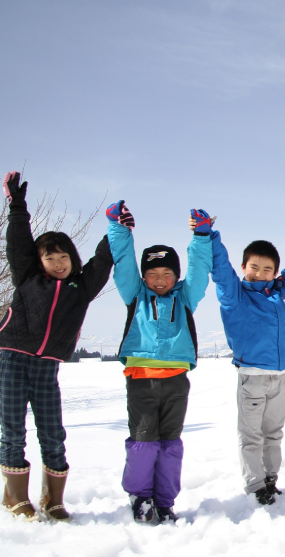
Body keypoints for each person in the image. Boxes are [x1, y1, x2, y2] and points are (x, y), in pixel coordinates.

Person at [0, 171, 113, 521]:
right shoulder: (28, 278)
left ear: (72, 260)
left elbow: (103, 260)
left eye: (64, 258)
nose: (58, 264)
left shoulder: (81, 288)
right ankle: (14, 498)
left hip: (47, 368)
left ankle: (53, 500)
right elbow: (18, 243)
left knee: (53, 434)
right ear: (40, 261)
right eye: (50, 258)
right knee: (13, 431)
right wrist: (17, 206)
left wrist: (117, 229)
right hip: (12, 360)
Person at [108, 203, 212, 523]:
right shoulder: (135, 294)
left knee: (170, 444)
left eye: (167, 273)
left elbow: (199, 270)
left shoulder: (185, 297)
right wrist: (119, 228)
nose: (159, 279)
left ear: (175, 276)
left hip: (177, 382)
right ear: (144, 277)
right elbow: (124, 262)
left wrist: (201, 235)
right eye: (152, 273)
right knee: (143, 441)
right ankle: (141, 496)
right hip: (141, 380)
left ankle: (165, 500)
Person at [210, 223, 285, 504]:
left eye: (267, 269)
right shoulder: (236, 296)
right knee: (251, 436)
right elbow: (221, 271)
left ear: (274, 272)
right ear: (244, 266)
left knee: (273, 433)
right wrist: (209, 236)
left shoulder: (281, 292)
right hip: (252, 378)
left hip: (280, 377)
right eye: (254, 267)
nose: (260, 273)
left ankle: (270, 478)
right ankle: (255, 485)